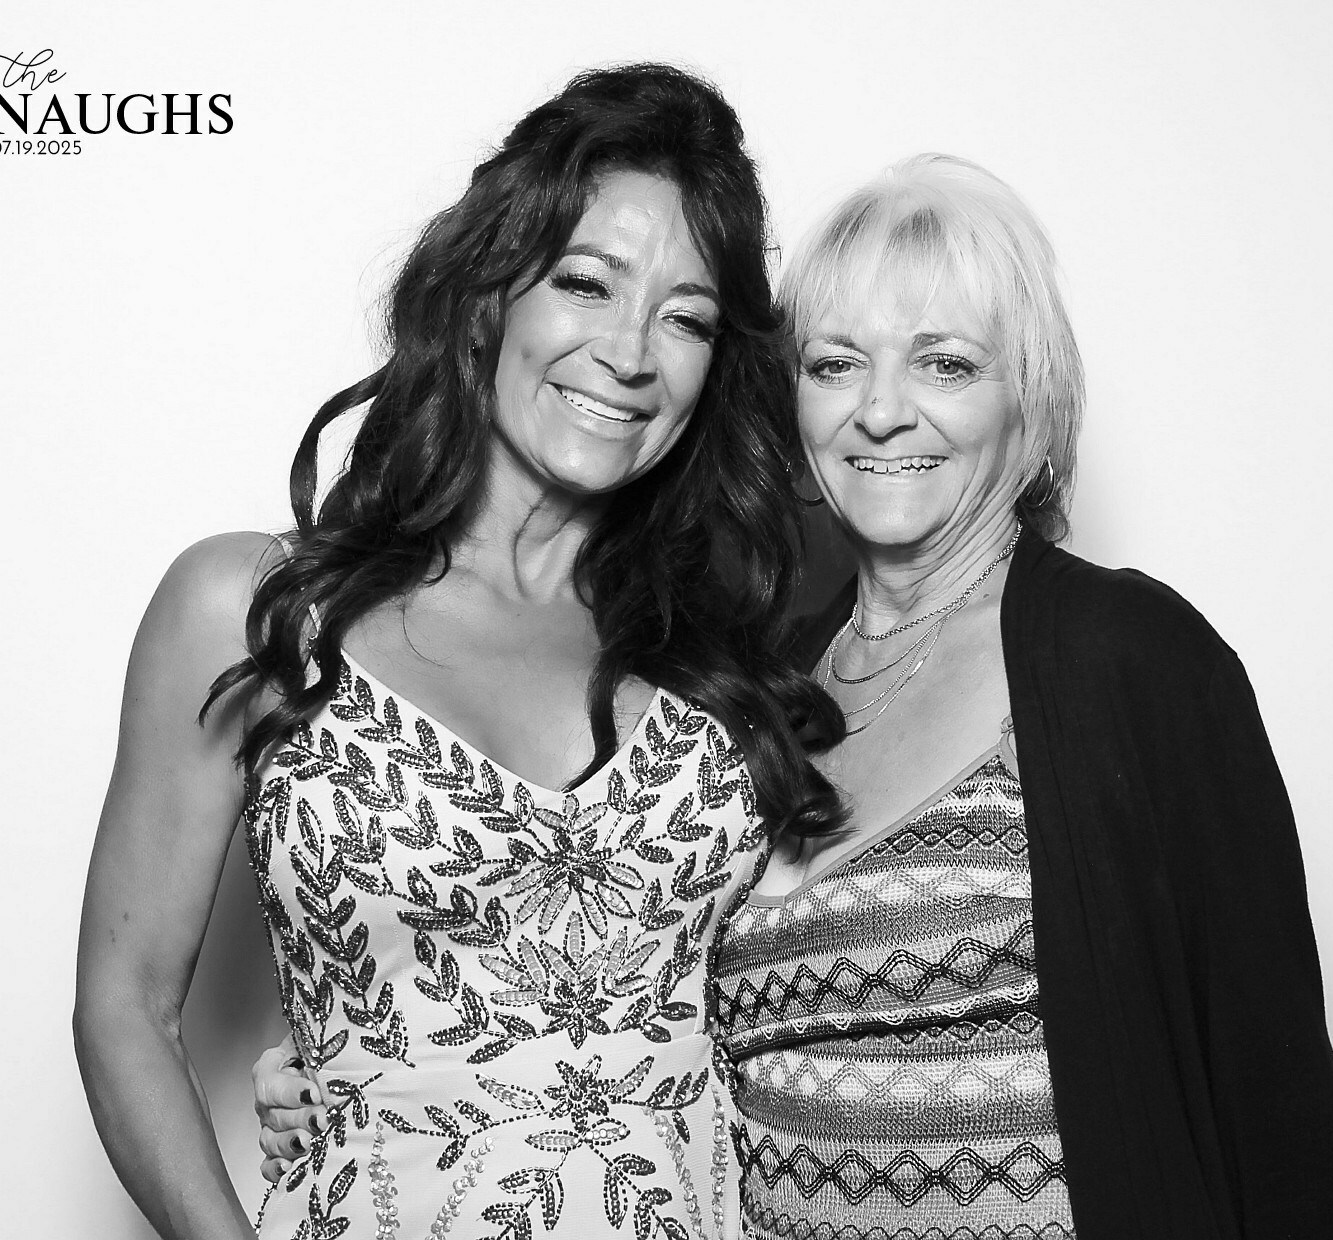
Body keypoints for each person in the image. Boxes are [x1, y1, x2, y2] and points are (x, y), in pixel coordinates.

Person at [258, 155, 1333, 1239]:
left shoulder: (1122, 658)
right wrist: (367, 1061)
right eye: (837, 364)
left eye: (943, 364)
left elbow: (1275, 1098)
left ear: (1030, 402)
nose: (881, 412)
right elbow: (621, 982)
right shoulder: (747, 695)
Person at [75, 63, 843, 1240]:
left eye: (684, 318)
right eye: (585, 283)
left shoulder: (727, 657)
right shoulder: (258, 611)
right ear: (489, 293)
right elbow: (125, 1007)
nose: (630, 352)